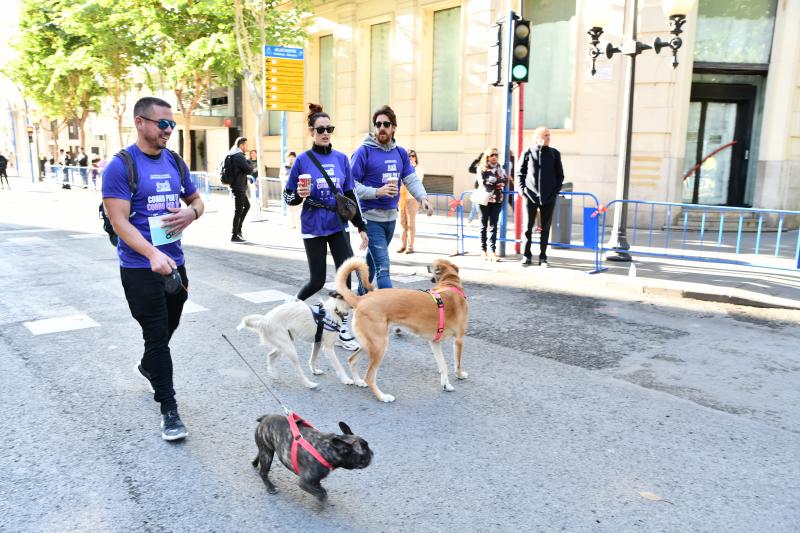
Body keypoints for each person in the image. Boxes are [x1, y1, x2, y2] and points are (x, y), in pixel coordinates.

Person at [102, 96, 204, 441]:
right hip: (140, 268)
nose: (168, 130)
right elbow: (119, 223)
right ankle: (169, 409)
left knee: (169, 327)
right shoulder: (121, 166)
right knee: (157, 335)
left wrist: (192, 212)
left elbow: (197, 200)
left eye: (172, 124)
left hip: (175, 264)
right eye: (163, 123)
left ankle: (149, 368)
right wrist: (151, 255)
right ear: (141, 123)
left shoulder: (175, 161)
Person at [283, 103, 368, 351]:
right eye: (320, 129)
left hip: (338, 225)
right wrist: (298, 195)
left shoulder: (341, 159)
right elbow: (289, 197)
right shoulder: (302, 161)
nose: (325, 132)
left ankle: (341, 329)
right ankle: (290, 308)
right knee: (317, 280)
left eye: (329, 128)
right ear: (311, 131)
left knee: (347, 276)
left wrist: (360, 226)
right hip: (313, 226)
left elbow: (349, 195)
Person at [351, 105, 432, 289]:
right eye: (378, 124)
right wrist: (375, 192)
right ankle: (388, 313)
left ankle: (359, 301)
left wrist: (423, 198)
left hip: (390, 219)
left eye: (386, 124)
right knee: (383, 267)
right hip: (370, 219)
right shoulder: (364, 152)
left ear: (393, 127)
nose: (381, 127)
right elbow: (350, 184)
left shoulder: (400, 153)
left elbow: (411, 179)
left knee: (372, 264)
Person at [518, 126, 564, 267]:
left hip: (549, 197)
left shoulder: (554, 153)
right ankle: (526, 256)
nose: (548, 137)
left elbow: (560, 175)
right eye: (546, 135)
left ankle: (543, 257)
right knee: (527, 227)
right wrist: (522, 191)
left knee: (545, 227)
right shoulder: (527, 152)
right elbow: (520, 173)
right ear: (538, 138)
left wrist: (555, 191)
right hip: (530, 196)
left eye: (549, 135)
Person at [477, 147, 507, 261]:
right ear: (487, 156)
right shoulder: (482, 168)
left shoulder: (500, 168)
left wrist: (496, 181)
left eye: (496, 155)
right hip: (484, 200)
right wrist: (498, 182)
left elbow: (505, 180)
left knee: (494, 226)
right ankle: (483, 250)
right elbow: (484, 183)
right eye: (492, 155)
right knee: (483, 226)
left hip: (497, 200)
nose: (494, 157)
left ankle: (492, 251)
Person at [226, 137, 255, 243]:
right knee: (238, 210)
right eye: (246, 145)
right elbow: (248, 170)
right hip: (238, 187)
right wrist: (250, 163)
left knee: (246, 206)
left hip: (238, 186)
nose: (247, 147)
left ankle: (238, 229)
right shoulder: (239, 156)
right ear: (241, 145)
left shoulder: (233, 154)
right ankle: (234, 235)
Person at [396, 148, 422, 254]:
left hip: (412, 199)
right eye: (408, 156)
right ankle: (403, 245)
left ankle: (410, 246)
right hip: (402, 198)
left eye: (413, 155)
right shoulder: (403, 168)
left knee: (411, 223)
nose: (411, 157)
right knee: (402, 223)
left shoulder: (418, 168)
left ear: (416, 157)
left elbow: (415, 182)